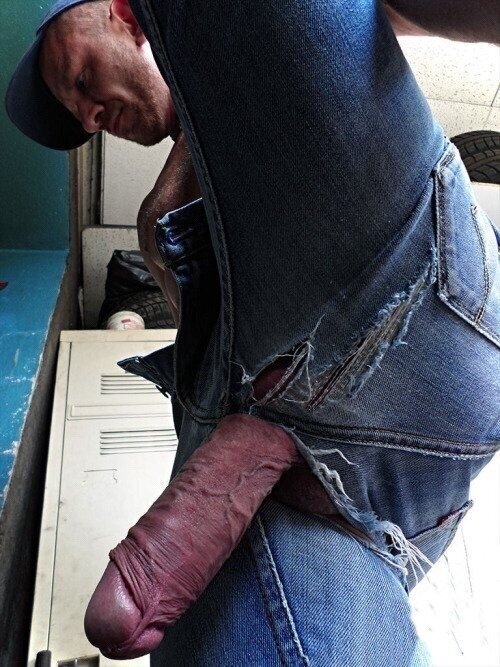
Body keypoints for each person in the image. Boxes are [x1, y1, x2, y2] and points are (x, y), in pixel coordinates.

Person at [6, 1, 500, 665]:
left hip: (406, 299)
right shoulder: (169, 215)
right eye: (79, 116)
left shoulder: (248, 67)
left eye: (83, 79)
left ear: (125, 15)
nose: (91, 117)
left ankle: (249, 433)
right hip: (388, 489)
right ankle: (255, 439)